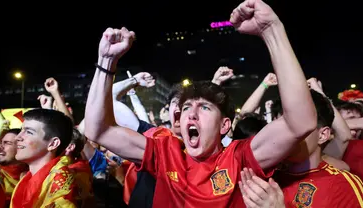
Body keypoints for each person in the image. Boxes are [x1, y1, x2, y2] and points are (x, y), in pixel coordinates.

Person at [84, 0, 317, 206]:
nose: (191, 114)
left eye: (204, 107)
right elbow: (98, 130)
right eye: (186, 108)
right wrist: (106, 60)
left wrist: (272, 30)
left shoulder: (240, 158)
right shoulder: (164, 154)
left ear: (225, 126)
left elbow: (300, 122)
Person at [273, 90, 363, 207]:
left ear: (322, 135)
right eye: (279, 127)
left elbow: (344, 136)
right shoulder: (266, 178)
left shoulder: (342, 186)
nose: (285, 135)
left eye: (296, 127)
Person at [10, 109, 77, 208]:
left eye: (29, 132)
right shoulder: (26, 179)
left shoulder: (61, 182)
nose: (17, 137)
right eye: (21, 131)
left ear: (53, 144)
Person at [0, 129, 28, 206]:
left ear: (21, 148)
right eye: (1, 142)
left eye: (7, 143)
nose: (0, 147)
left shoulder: (32, 176)